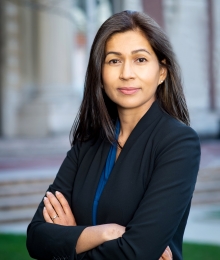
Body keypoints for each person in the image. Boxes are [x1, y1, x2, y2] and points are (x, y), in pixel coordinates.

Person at [26, 10, 200, 260]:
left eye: (140, 60)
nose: (126, 73)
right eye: (114, 61)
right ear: (100, 73)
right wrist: (103, 233)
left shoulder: (178, 143)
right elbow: (36, 238)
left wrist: (71, 240)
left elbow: (134, 252)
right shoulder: (88, 142)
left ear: (162, 72)